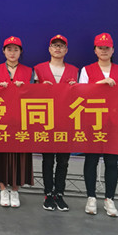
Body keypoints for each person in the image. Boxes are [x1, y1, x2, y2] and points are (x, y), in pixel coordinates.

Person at [79, 32, 118, 217]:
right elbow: (80, 93)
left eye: (107, 48)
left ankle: (109, 199)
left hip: (114, 123)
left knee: (112, 162)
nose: (104, 51)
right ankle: (91, 197)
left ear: (113, 50)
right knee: (91, 160)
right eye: (100, 48)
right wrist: (100, 83)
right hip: (93, 122)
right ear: (95, 50)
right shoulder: (87, 70)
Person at [33, 34, 78, 211]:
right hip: (46, 121)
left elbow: (81, 95)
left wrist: (75, 88)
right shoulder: (39, 69)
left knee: (63, 161)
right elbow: (31, 95)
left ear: (66, 50)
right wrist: (40, 88)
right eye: (55, 45)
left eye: (61, 46)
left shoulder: (74, 70)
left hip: (67, 121)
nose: (58, 48)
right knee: (48, 160)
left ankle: (59, 193)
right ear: (49, 49)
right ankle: (48, 194)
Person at [0, 36, 34, 208]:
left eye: (16, 49)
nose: (12, 53)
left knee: (20, 155)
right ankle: (3, 189)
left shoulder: (29, 71)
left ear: (20, 52)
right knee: (1, 155)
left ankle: (15, 190)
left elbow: (36, 96)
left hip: (21, 120)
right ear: (3, 51)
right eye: (9, 49)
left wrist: (26, 89)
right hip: (1, 119)